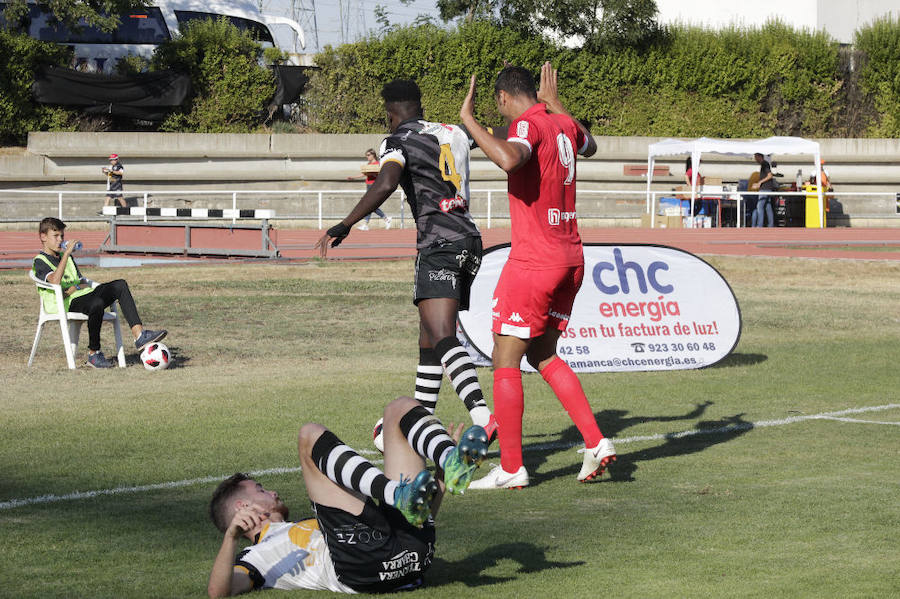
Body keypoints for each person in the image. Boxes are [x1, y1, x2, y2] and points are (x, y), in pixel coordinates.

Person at [458, 62, 616, 490]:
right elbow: (592, 146)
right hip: (571, 258)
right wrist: (559, 106)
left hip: (536, 260)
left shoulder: (525, 125)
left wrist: (469, 121)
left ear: (504, 98)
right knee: (542, 354)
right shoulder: (562, 122)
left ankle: (512, 468)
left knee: (504, 360)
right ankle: (596, 441)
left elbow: (512, 158)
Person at [316, 79, 497, 440]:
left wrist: (345, 223)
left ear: (390, 112)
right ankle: (422, 426)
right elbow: (504, 133)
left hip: (439, 244)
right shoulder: (455, 131)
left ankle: (483, 416)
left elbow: (385, 183)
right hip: (470, 241)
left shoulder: (395, 141)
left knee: (443, 335)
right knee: (428, 338)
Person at [207, 396, 489, 596]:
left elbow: (420, 515)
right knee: (308, 436)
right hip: (364, 568)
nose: (272, 491)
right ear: (243, 507)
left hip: (413, 557)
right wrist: (231, 537)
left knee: (400, 408)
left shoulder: (308, 524)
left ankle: (449, 457)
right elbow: (220, 591)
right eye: (260, 489)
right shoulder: (257, 555)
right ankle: (395, 493)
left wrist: (440, 474)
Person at [32, 217, 167, 368]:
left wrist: (74, 287)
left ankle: (140, 335)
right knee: (97, 304)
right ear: (43, 237)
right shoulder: (40, 260)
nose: (60, 240)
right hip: (65, 304)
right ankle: (93, 354)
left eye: (62, 236)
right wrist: (68, 254)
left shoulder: (67, 258)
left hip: (82, 296)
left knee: (120, 285)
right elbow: (55, 281)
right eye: (56, 236)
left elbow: (81, 282)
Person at [346, 149, 392, 230]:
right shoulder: (369, 164)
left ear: (373, 155)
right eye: (366, 155)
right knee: (369, 205)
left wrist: (374, 175)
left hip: (373, 186)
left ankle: (384, 219)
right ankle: (373, 222)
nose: (367, 157)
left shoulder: (378, 164)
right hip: (368, 185)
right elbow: (363, 174)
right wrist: (353, 177)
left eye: (368, 155)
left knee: (369, 204)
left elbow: (380, 176)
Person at [750, 153, 776, 227]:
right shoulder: (764, 164)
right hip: (767, 188)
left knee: (759, 206)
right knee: (768, 207)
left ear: (759, 157)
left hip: (765, 189)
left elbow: (770, 175)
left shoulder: (765, 164)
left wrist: (759, 183)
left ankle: (759, 225)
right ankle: (770, 225)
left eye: (755, 157)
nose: (755, 159)